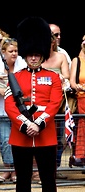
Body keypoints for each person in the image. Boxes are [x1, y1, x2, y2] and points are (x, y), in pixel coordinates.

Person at [4, 17, 63, 192]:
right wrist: (24, 124)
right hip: (21, 135)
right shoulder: (16, 77)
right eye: (31, 55)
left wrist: (38, 123)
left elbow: (55, 102)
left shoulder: (53, 78)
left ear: (42, 55)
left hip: (45, 134)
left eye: (37, 55)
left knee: (49, 181)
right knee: (22, 181)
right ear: (26, 55)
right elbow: (10, 105)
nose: (34, 58)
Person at [0, 38, 26, 184]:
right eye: (11, 51)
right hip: (0, 108)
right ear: (3, 52)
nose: (14, 54)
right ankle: (8, 169)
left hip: (19, 109)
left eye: (16, 51)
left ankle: (15, 170)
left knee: (18, 140)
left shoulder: (22, 62)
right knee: (4, 140)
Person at [42, 34, 70, 181]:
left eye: (51, 41)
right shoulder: (38, 57)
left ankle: (55, 168)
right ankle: (40, 170)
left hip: (58, 103)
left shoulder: (61, 56)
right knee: (41, 137)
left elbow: (66, 76)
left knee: (58, 138)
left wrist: (58, 78)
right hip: (41, 102)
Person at [70, 35, 85, 166]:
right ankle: (80, 156)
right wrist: (78, 87)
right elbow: (72, 82)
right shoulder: (77, 60)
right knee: (83, 126)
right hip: (82, 98)